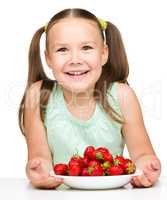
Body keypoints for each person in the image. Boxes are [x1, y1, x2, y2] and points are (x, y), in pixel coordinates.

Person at [18, 8, 161, 189]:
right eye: (62, 49)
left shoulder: (122, 96)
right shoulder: (38, 95)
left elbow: (142, 154)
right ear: (48, 58)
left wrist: (147, 167)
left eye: (86, 48)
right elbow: (40, 157)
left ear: (103, 54)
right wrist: (38, 170)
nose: (75, 59)